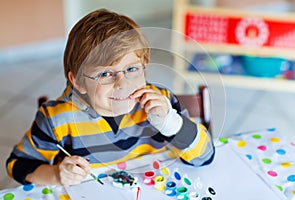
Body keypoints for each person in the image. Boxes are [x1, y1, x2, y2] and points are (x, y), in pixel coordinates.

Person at [6, 8, 215, 186]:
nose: (123, 84)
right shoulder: (56, 119)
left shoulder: (162, 102)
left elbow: (205, 157)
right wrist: (56, 174)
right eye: (105, 74)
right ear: (77, 81)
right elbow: (17, 165)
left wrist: (173, 124)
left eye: (132, 69)